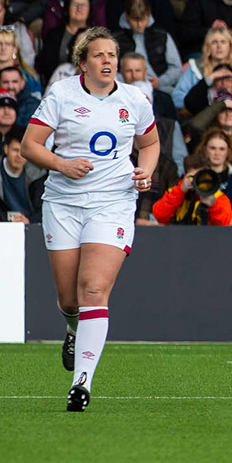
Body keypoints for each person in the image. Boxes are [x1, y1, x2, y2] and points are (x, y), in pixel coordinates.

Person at [19, 28, 161, 411]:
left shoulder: (135, 98)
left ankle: (82, 383)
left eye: (111, 55)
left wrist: (145, 171)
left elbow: (149, 143)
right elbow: (29, 146)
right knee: (69, 300)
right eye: (98, 55)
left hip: (113, 201)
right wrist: (62, 164)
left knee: (93, 289)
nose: (107, 61)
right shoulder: (62, 95)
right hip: (63, 202)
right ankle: (71, 328)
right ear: (83, 63)